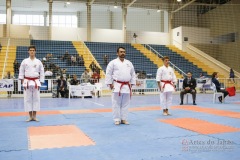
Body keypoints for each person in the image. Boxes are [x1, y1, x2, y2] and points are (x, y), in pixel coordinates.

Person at [105, 47, 136, 125]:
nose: (123, 53)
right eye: (121, 52)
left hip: (126, 86)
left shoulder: (129, 63)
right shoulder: (113, 62)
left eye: (124, 52)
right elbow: (108, 73)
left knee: (126, 104)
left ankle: (124, 119)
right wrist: (110, 83)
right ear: (117, 53)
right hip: (117, 85)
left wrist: (132, 83)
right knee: (116, 103)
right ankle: (116, 119)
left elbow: (133, 74)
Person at [18, 45, 45, 122]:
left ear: (35, 51)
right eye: (30, 50)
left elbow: (42, 71)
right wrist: (22, 79)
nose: (32, 51)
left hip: (36, 81)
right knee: (28, 98)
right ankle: (30, 116)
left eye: (33, 50)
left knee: (36, 98)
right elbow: (21, 70)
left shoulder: (38, 61)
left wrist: (41, 80)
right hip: (27, 80)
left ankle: (35, 116)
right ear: (28, 51)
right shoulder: (25, 61)